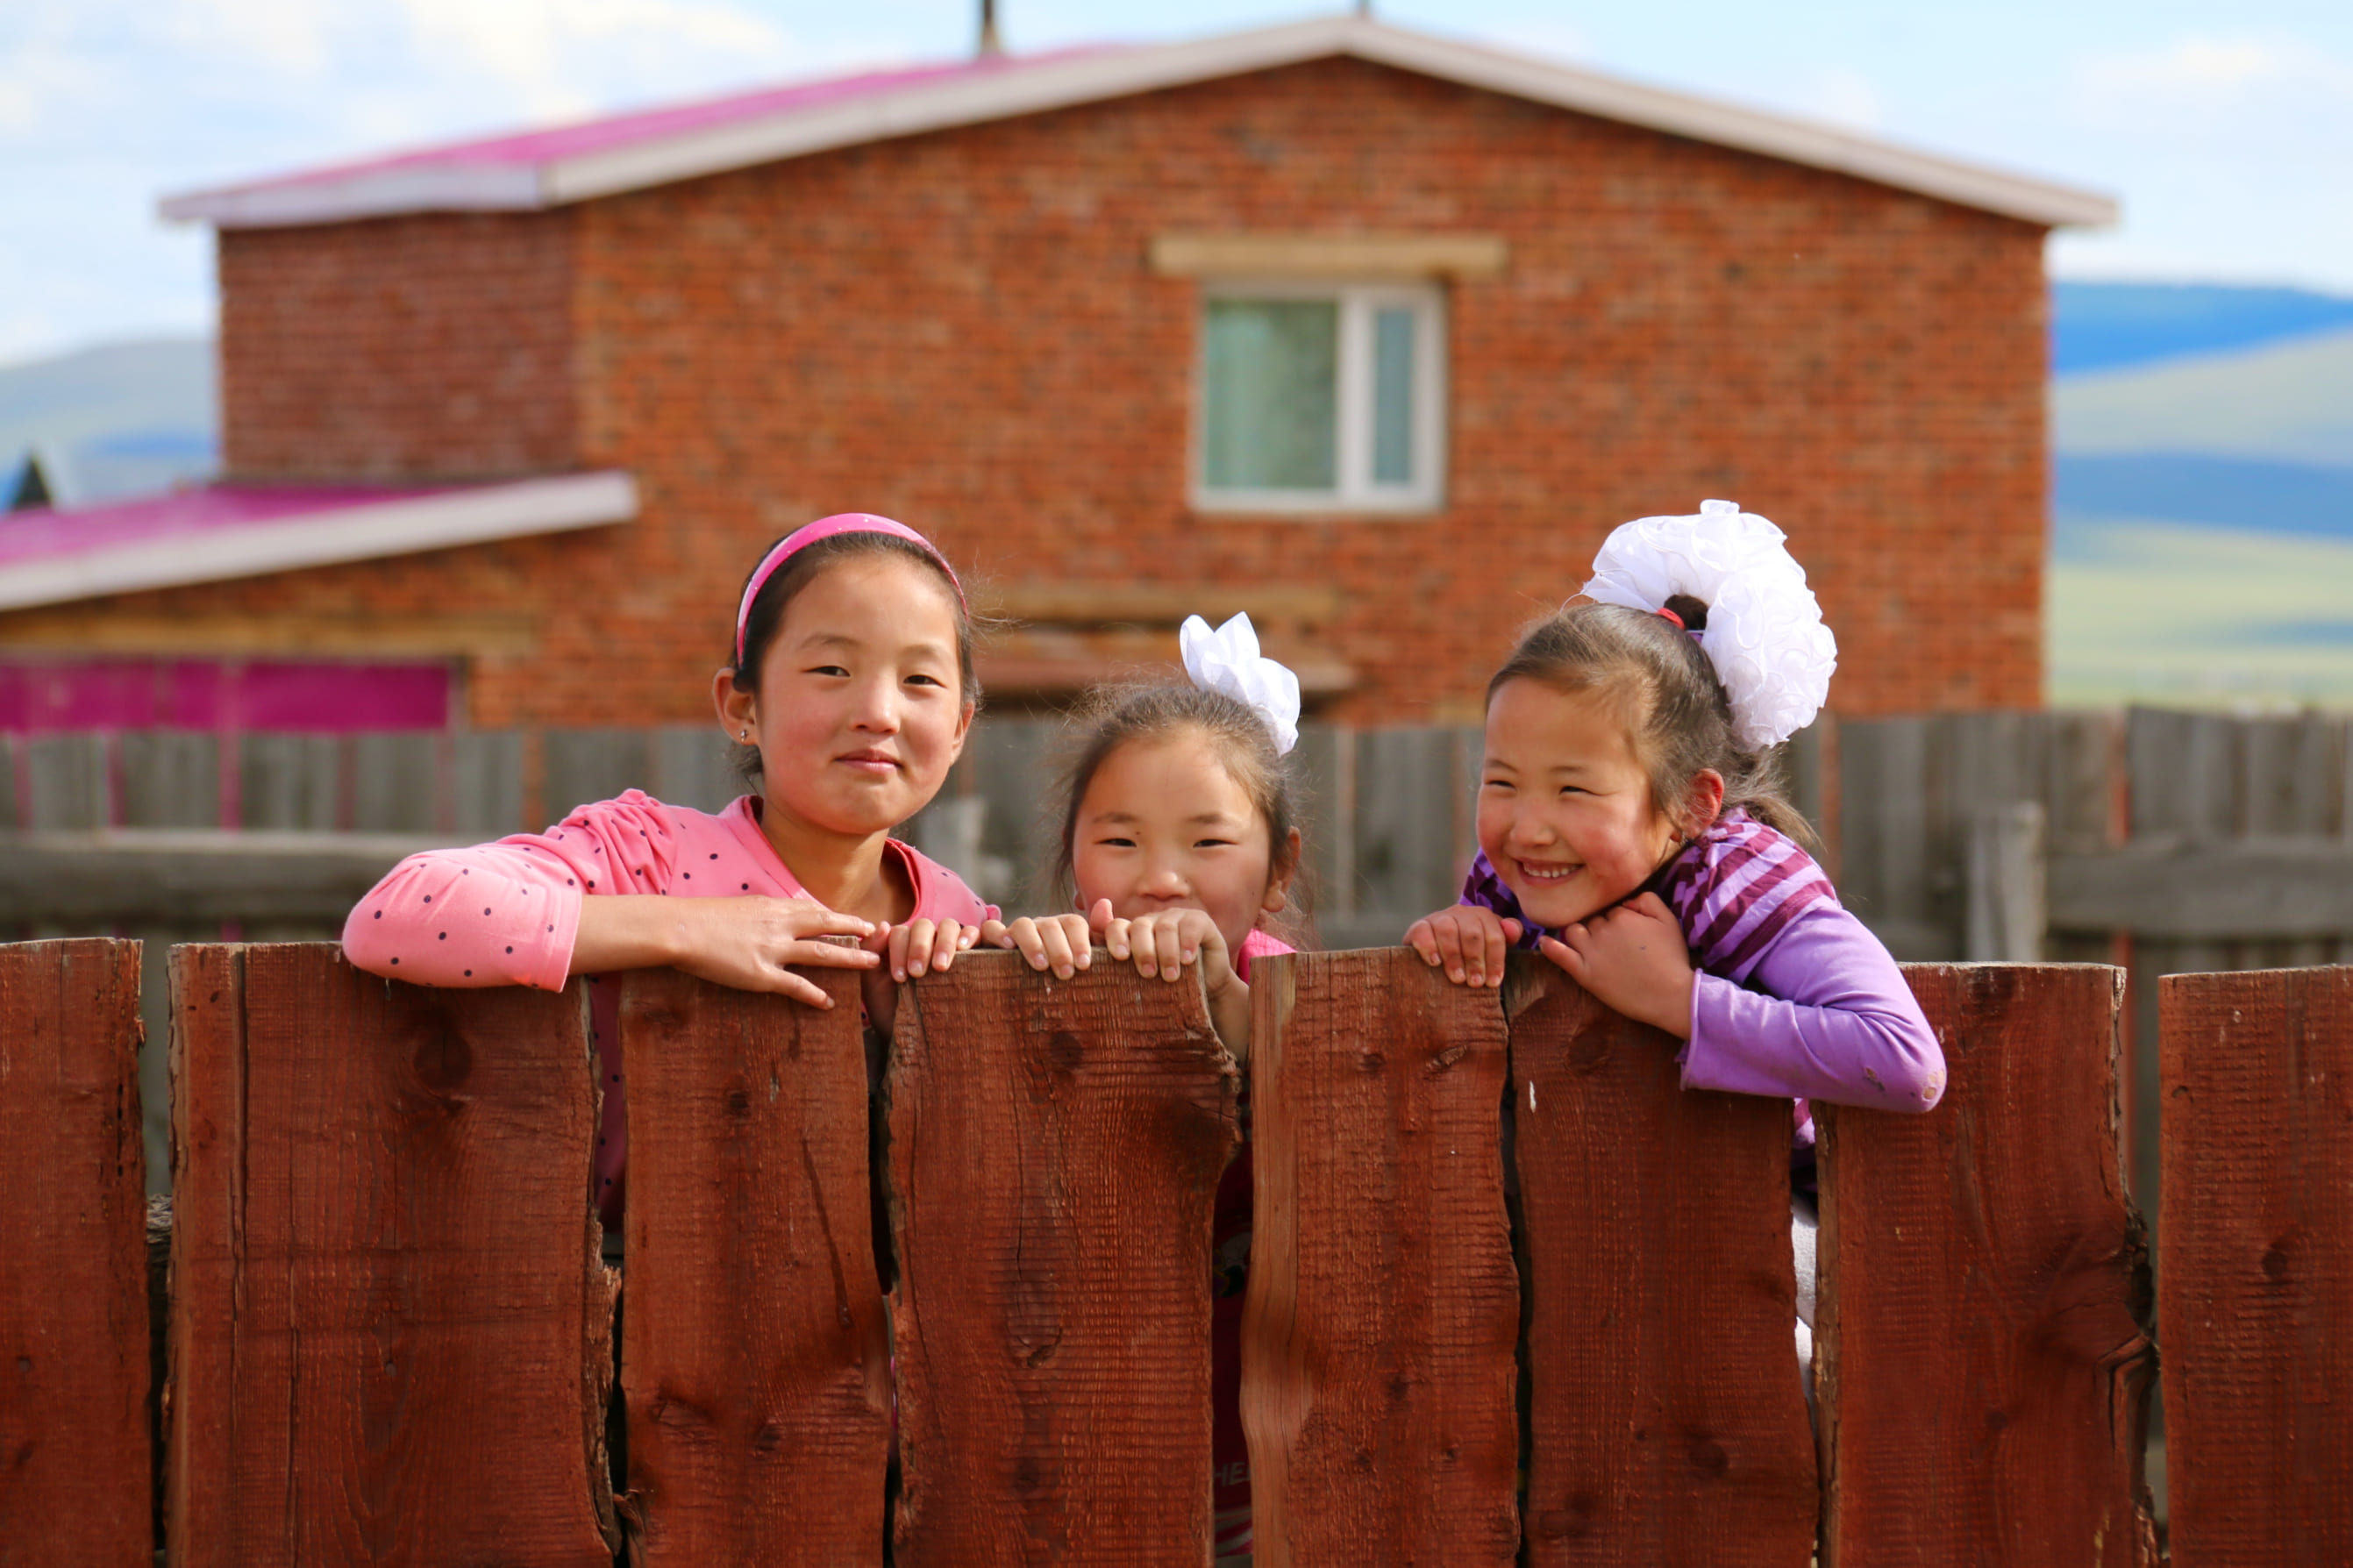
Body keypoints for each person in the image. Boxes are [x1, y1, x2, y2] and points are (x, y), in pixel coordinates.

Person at [1405, 499, 1944, 1381]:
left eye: (1574, 791)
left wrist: (1679, 1001)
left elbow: (1901, 1059)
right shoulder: (1511, 881)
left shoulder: (1740, 878)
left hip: (1780, 1245)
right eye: (1502, 781)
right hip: (1597, 1231)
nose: (1527, 826)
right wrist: (1461, 938)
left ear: (1691, 806)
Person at [340, 514, 995, 1227]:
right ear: (741, 706)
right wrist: (688, 929)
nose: (878, 712)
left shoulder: (957, 919)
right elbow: (399, 914)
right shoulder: (644, 855)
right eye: (832, 670)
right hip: (600, 1299)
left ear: (960, 727)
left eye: (920, 679)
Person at [937, 610, 1305, 1567]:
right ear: (1071, 858)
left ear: (1280, 871)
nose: (1161, 880)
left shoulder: (1303, 1008)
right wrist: (1021, 992)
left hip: (1264, 1456)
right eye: (1121, 842)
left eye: (1209, 845)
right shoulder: (1044, 976)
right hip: (1061, 1445)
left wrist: (1225, 1008)